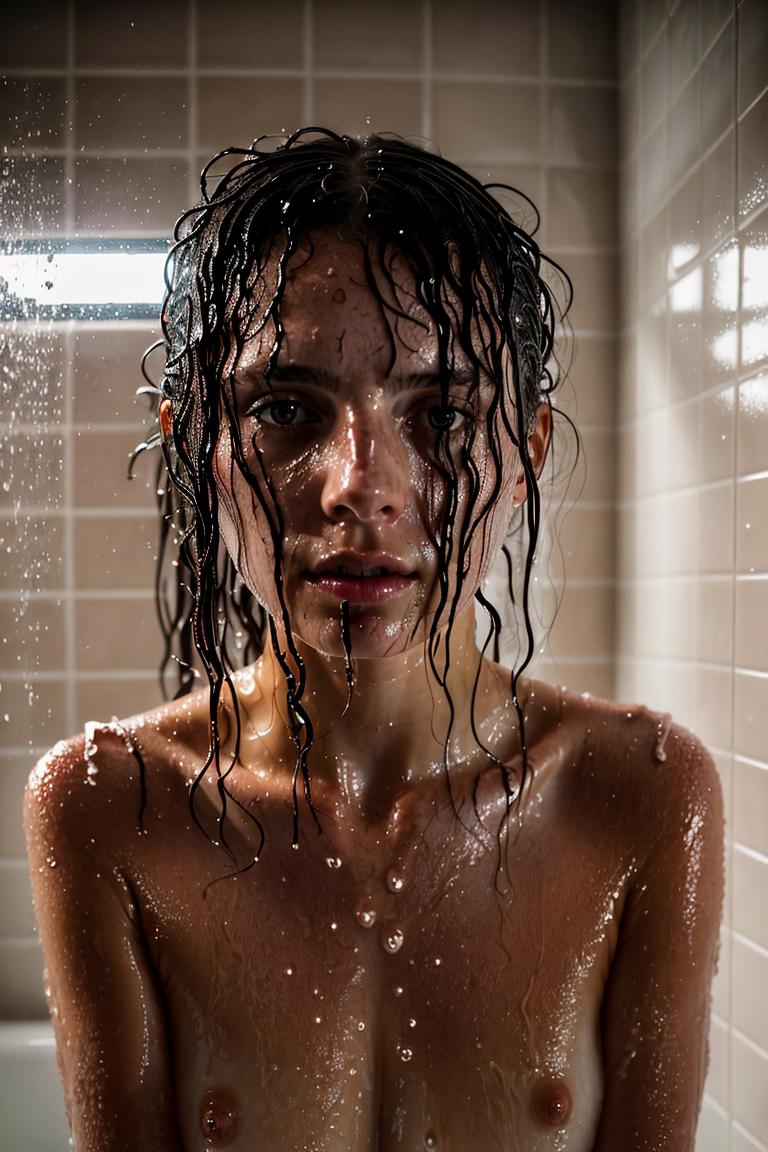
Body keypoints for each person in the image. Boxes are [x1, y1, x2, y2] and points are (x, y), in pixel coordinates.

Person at [24, 128, 723, 1152]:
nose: (363, 485)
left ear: (524, 456)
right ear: (199, 451)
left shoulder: (640, 798)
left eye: (440, 414)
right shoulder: (110, 807)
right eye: (286, 408)